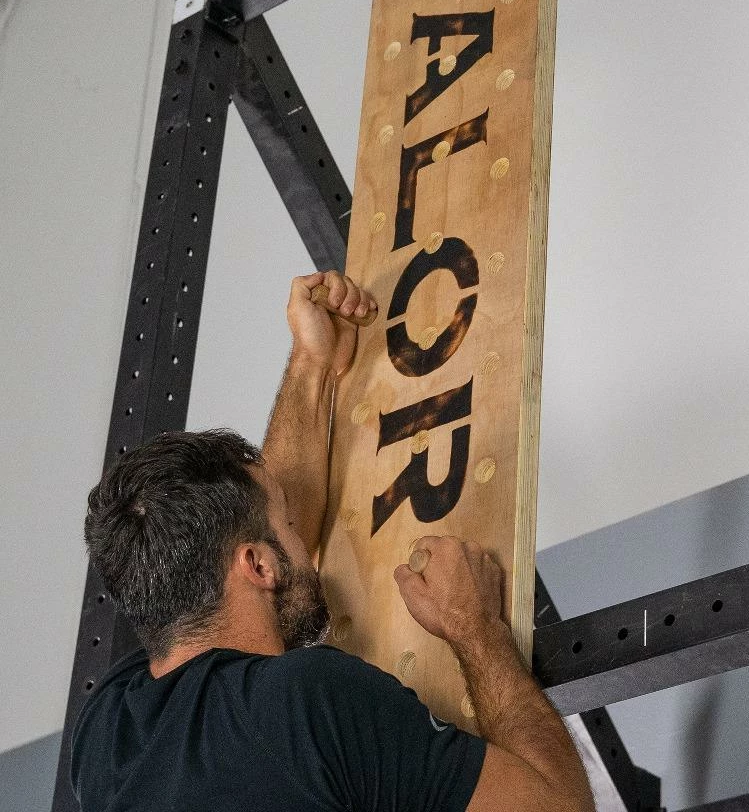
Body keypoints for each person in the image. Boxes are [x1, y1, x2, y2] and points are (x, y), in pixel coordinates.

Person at [72, 270, 595, 812]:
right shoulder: (309, 704)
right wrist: (474, 626)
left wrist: (313, 363)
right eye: (288, 526)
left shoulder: (106, 738)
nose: (299, 535)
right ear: (258, 565)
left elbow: (263, 534)